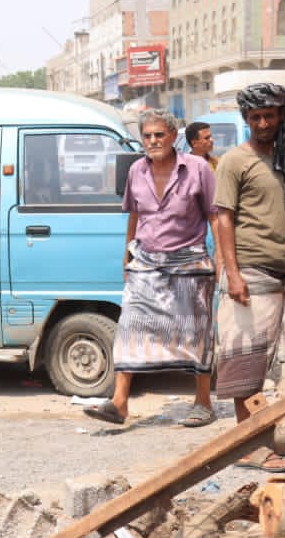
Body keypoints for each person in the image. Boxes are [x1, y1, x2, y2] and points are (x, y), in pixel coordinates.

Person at [84, 109, 220, 428]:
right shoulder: (136, 171)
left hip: (188, 260)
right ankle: (119, 403)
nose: (153, 141)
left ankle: (203, 401)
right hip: (145, 259)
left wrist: (224, 263)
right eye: (147, 136)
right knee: (130, 325)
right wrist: (127, 254)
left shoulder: (198, 168)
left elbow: (215, 216)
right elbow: (134, 214)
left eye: (159, 134)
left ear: (174, 136)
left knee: (195, 331)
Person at [214, 83, 285, 473]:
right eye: (255, 117)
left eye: (269, 115)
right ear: (246, 120)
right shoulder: (235, 161)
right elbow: (223, 217)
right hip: (249, 274)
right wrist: (232, 273)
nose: (263, 123)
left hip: (280, 272)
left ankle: (261, 439)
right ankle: (249, 447)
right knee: (244, 363)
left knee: (262, 363)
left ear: (282, 115)